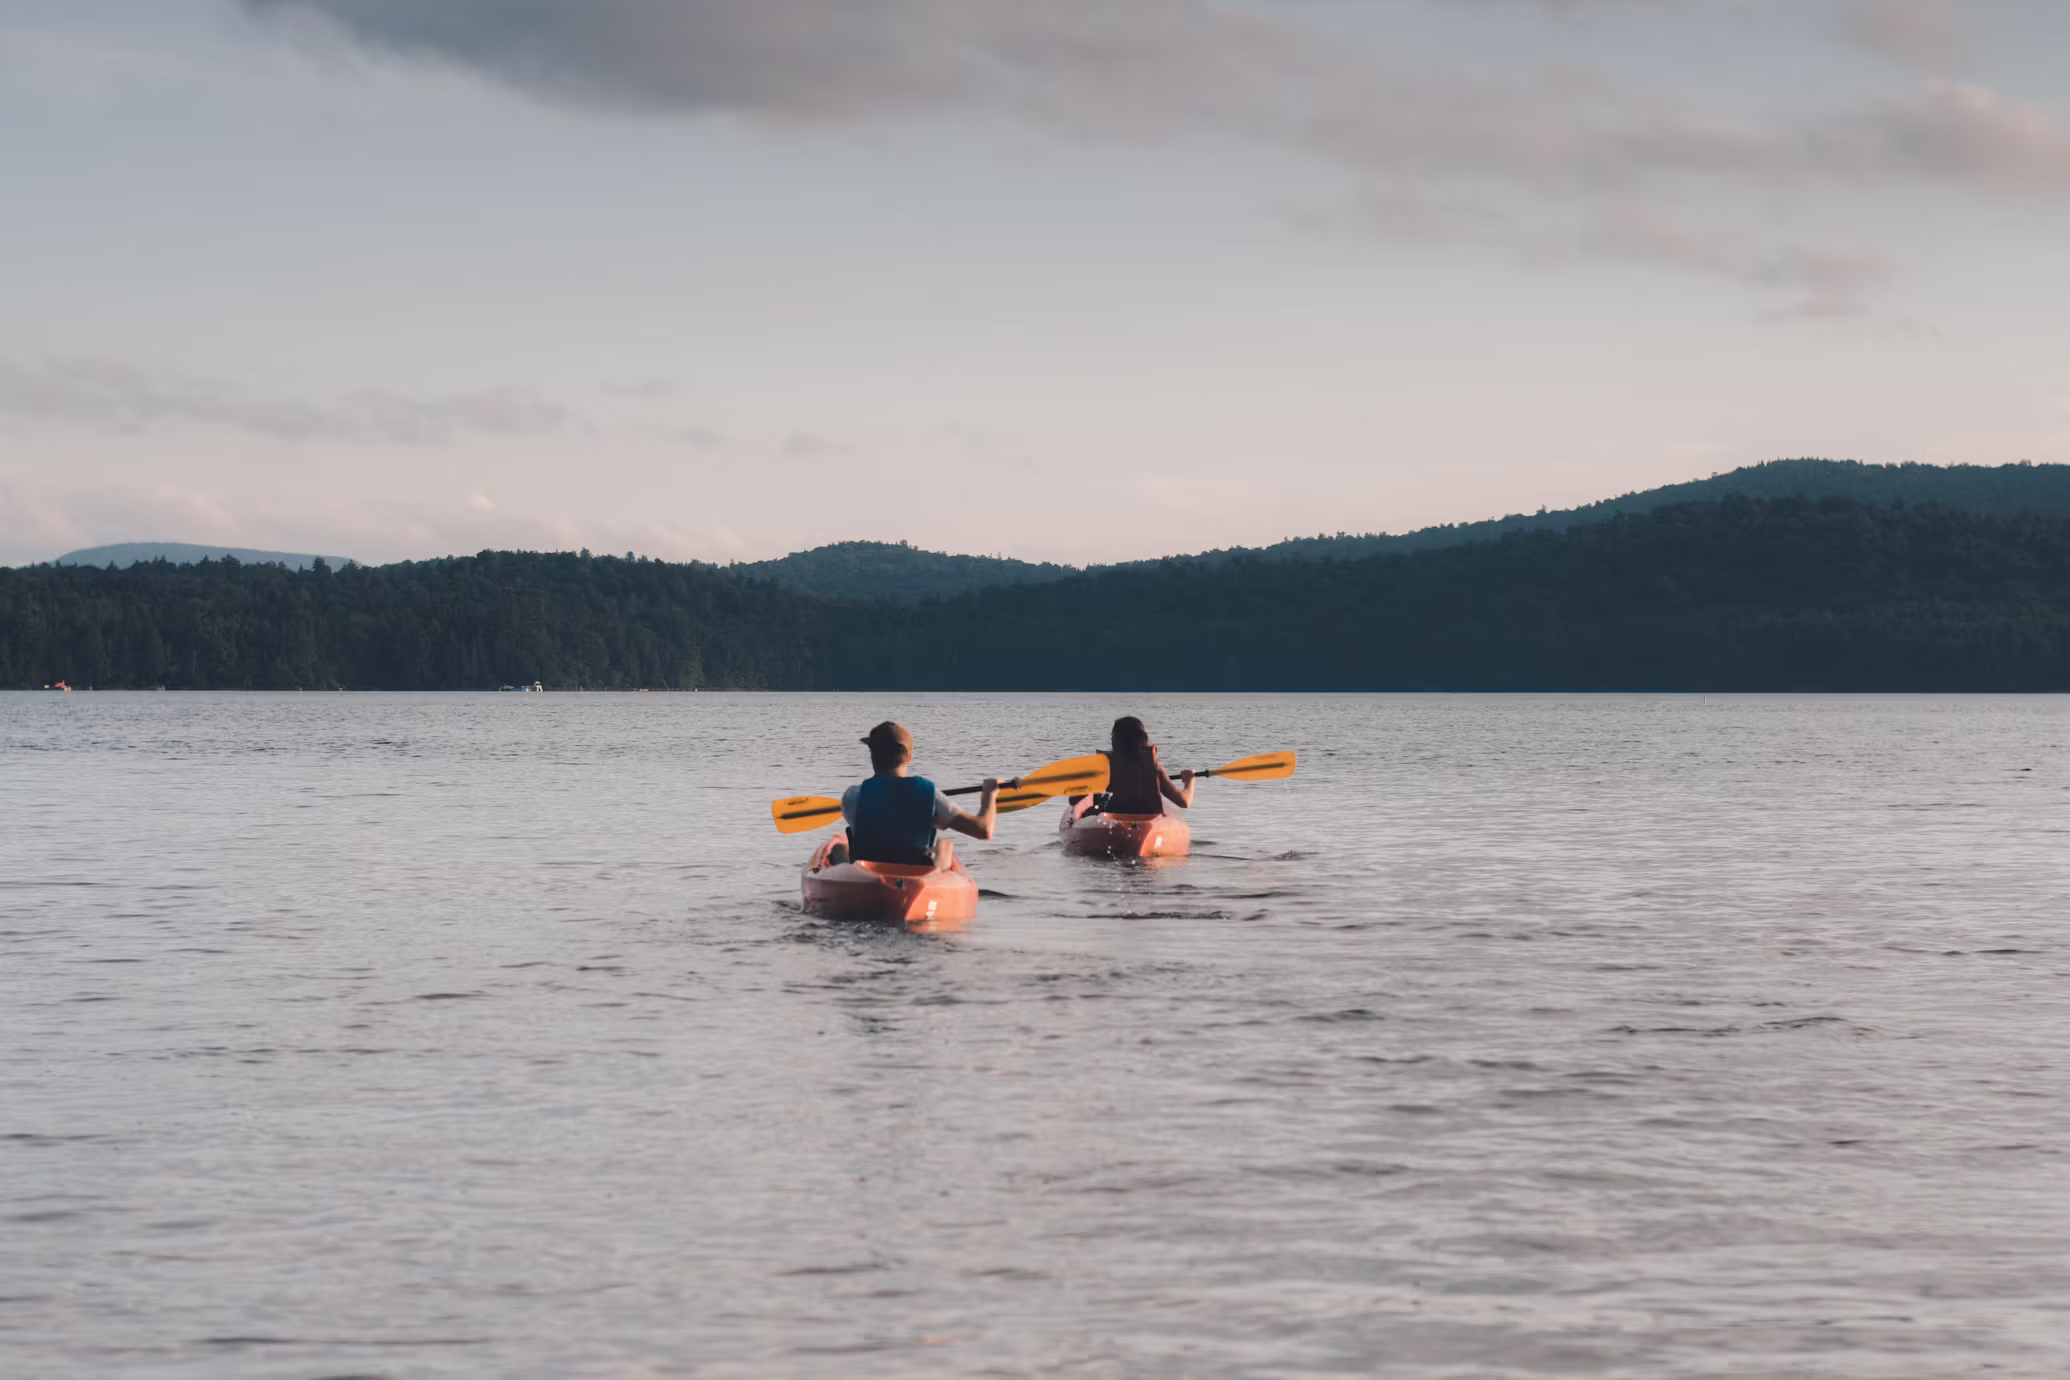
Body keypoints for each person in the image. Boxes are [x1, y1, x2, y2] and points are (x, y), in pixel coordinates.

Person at [828, 721, 998, 866]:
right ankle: (935, 880)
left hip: (866, 873)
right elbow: (983, 830)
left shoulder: (852, 796)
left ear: (872, 755)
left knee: (838, 847)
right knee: (945, 845)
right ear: (909, 757)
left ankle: (845, 878)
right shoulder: (930, 795)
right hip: (914, 873)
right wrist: (990, 795)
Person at [1094, 716, 1195, 815]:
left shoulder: (1101, 768)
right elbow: (1184, 801)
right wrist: (1189, 781)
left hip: (1111, 819)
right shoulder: (1155, 769)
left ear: (1114, 741)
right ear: (1144, 740)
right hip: (1146, 820)